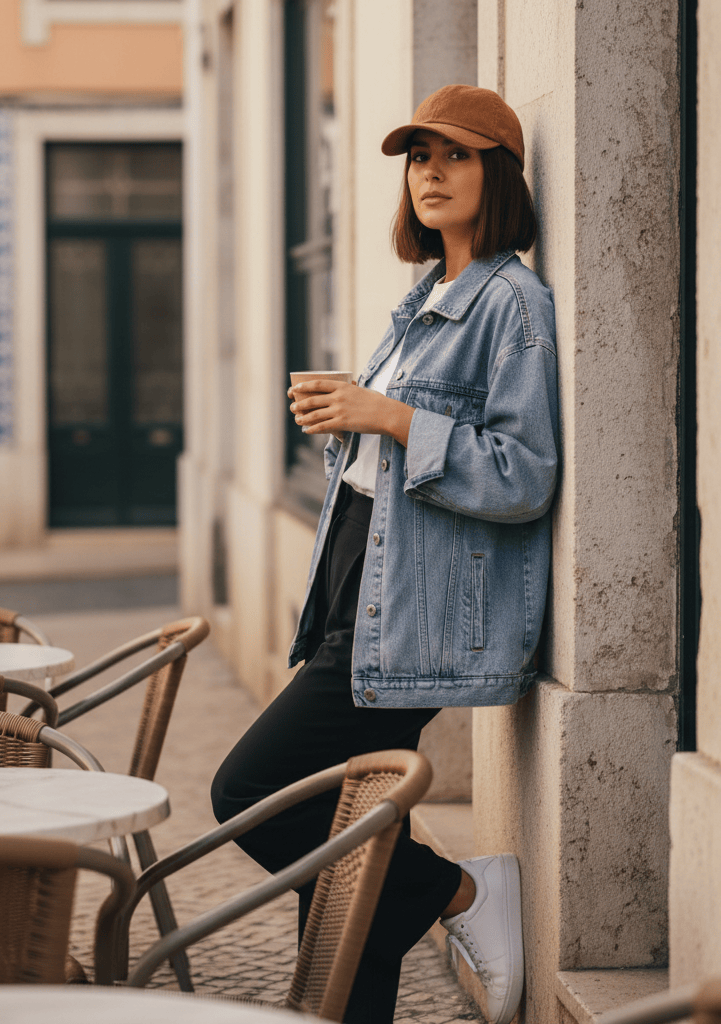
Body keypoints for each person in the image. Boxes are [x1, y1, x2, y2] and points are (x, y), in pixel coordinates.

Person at [211, 84, 559, 1024]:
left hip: (414, 603)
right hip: (355, 587)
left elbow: (524, 475)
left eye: (456, 155)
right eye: (418, 158)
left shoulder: (513, 304)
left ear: (501, 175)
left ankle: (456, 895)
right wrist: (346, 421)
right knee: (349, 830)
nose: (431, 174)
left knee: (248, 790)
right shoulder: (423, 299)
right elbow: (393, 460)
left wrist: (389, 415)